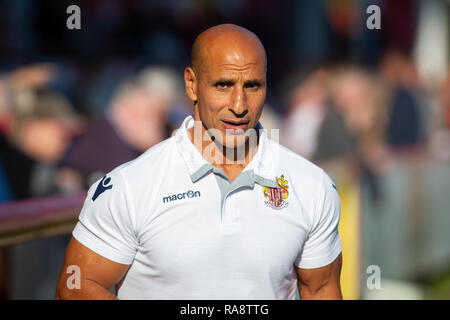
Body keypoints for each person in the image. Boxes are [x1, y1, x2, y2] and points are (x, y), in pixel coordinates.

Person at [55, 24, 343, 300]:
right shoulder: (129, 186)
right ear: (191, 85)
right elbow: (75, 288)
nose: (239, 105)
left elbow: (321, 290)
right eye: (223, 85)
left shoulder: (311, 185)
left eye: (253, 86)